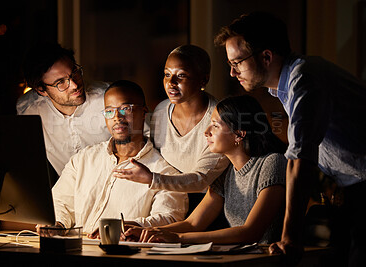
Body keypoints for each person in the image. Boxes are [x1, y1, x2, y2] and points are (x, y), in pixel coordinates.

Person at [214, 12, 366, 266]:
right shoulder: (285, 87)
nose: (231, 72)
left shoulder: (304, 79)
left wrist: (289, 237)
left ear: (266, 56)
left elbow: (300, 159)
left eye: (237, 62)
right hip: (350, 186)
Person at [124, 95, 287, 245]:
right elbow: (193, 223)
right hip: (238, 256)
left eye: (215, 126)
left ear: (239, 134)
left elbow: (250, 233)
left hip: (269, 258)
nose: (206, 132)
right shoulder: (226, 171)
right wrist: (145, 232)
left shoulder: (272, 163)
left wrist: (178, 238)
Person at [51, 80, 188, 236]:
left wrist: (129, 226)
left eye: (125, 109)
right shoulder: (83, 160)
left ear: (144, 112)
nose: (117, 117)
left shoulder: (164, 173)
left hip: (124, 255)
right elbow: (59, 203)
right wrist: (58, 224)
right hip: (78, 250)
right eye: (109, 111)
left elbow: (169, 217)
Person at [113, 45, 229, 192]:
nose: (171, 83)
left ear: (203, 79)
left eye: (181, 75)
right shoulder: (161, 110)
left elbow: (201, 179)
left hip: (205, 203)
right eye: (167, 74)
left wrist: (152, 179)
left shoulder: (220, 120)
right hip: (167, 197)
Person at [17, 43, 111, 176]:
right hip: (68, 193)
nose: (74, 85)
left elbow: (146, 144)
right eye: (60, 82)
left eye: (74, 73)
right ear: (41, 90)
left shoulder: (109, 99)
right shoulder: (29, 110)